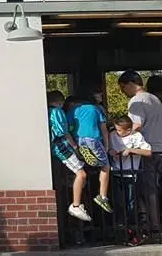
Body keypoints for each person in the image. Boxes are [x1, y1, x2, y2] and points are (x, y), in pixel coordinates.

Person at [119, 70, 162, 238]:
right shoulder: (154, 99)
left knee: (146, 189)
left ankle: (152, 227)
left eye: (123, 88)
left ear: (130, 84)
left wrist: (119, 134)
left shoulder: (137, 101)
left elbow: (136, 125)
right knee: (152, 188)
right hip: (160, 148)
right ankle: (150, 224)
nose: (123, 92)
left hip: (145, 150)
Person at [46, 90, 90, 222]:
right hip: (61, 146)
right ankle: (75, 204)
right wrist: (75, 148)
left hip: (54, 146)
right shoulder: (57, 112)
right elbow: (63, 132)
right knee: (81, 173)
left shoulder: (46, 112)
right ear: (60, 102)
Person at [108, 115, 152, 246]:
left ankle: (134, 232)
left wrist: (131, 150)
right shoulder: (112, 135)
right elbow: (109, 147)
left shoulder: (136, 136)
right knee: (118, 203)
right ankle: (121, 232)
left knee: (131, 204)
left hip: (130, 174)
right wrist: (111, 151)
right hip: (116, 172)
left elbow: (148, 152)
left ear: (128, 130)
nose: (117, 133)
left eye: (120, 130)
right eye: (116, 129)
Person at [66, 95, 112, 215]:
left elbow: (69, 129)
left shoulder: (72, 111)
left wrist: (75, 145)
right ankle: (102, 196)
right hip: (93, 138)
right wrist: (106, 146)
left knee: (86, 163)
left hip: (78, 139)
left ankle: (87, 157)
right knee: (106, 166)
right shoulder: (95, 108)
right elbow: (103, 128)